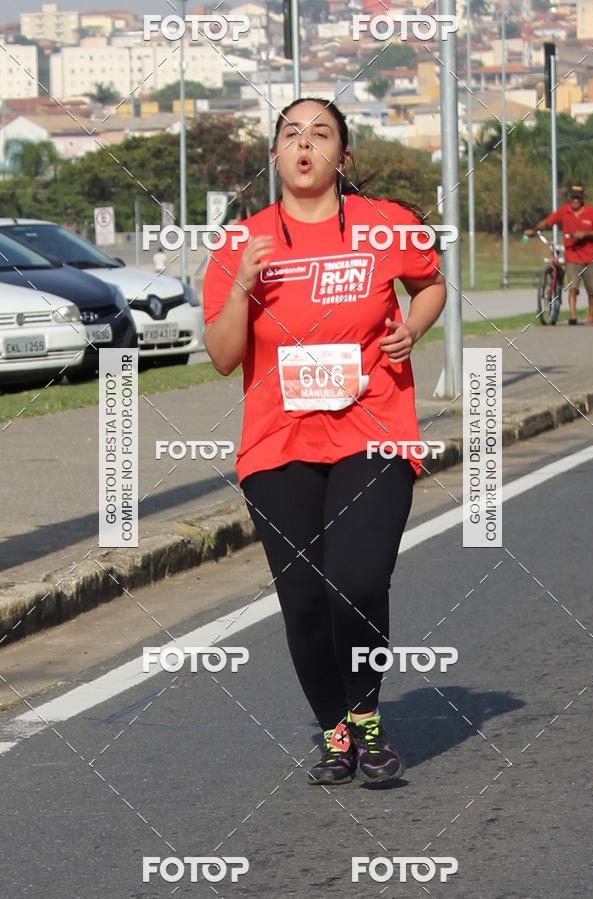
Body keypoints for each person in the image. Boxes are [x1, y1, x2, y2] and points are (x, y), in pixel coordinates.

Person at [202, 97, 446, 785]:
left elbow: (431, 284)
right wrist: (244, 290)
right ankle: (334, 728)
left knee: (359, 581)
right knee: (305, 599)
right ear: (274, 154)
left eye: (321, 134)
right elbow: (223, 356)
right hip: (278, 442)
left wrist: (413, 327)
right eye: (290, 134)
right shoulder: (240, 243)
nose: (303, 144)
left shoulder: (383, 224)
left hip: (374, 428)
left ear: (343, 155)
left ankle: (366, 715)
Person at [525, 182, 593, 325]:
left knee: (592, 290)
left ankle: (591, 316)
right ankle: (572, 315)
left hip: (589, 258)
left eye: (578, 197)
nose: (575, 200)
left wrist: (586, 234)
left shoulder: (591, 212)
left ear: (582, 198)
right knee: (572, 287)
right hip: (572, 256)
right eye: (573, 197)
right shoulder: (564, 211)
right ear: (569, 197)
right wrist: (534, 230)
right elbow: (547, 222)